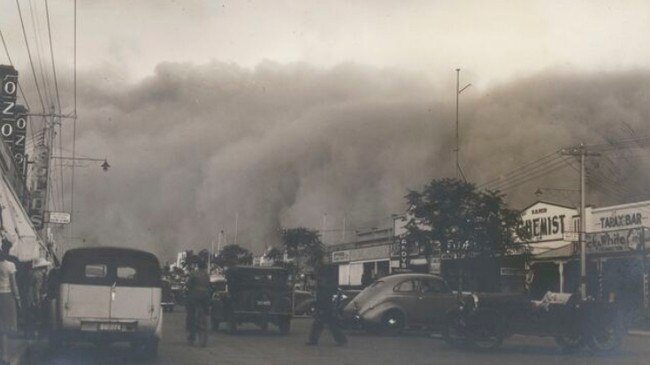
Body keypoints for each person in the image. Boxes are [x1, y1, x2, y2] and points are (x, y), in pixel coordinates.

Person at [306, 267, 347, 346]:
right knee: (329, 325)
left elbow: (324, 299)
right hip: (326, 309)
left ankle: (314, 340)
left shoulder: (325, 288)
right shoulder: (324, 287)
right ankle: (341, 340)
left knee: (322, 325)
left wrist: (320, 309)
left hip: (325, 309)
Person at [0, 241, 20, 365]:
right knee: (7, 328)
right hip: (7, 296)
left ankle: (4, 354)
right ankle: (5, 356)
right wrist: (18, 299)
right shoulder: (10, 266)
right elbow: (14, 285)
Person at [185, 260, 210, 344]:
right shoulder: (207, 275)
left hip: (194, 296)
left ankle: (192, 335)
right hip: (205, 296)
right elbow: (208, 285)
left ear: (198, 266)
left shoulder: (194, 273)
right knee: (206, 311)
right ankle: (205, 320)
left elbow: (188, 284)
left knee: (191, 313)